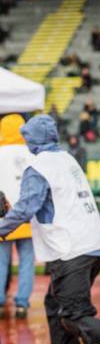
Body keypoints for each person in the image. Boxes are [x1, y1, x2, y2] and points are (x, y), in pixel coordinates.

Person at [0, 115, 100, 344]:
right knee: (55, 307)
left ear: (32, 140)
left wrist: (3, 227)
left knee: (74, 315)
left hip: (71, 250)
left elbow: (28, 206)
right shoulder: (66, 159)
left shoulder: (39, 166)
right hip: (89, 246)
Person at [0, 114, 35, 318]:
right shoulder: (31, 152)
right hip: (27, 217)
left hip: (3, 218)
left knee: (1, 262)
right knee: (27, 262)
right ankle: (22, 303)